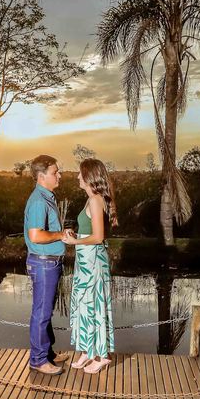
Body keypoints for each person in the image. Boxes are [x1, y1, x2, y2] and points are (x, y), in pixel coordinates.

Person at [62, 158, 116, 374]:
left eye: (80, 173)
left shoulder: (95, 200)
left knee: (93, 305)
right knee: (84, 304)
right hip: (86, 260)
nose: (77, 176)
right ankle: (87, 350)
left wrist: (74, 242)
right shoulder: (91, 199)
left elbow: (98, 237)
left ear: (89, 176)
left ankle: (102, 355)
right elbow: (90, 232)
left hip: (92, 261)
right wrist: (76, 235)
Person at [23, 154, 67, 374]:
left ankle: (47, 353)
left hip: (48, 263)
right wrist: (60, 235)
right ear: (41, 176)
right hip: (44, 264)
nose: (59, 176)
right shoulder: (39, 201)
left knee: (45, 311)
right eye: (55, 172)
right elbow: (36, 235)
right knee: (41, 313)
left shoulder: (46, 197)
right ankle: (38, 360)